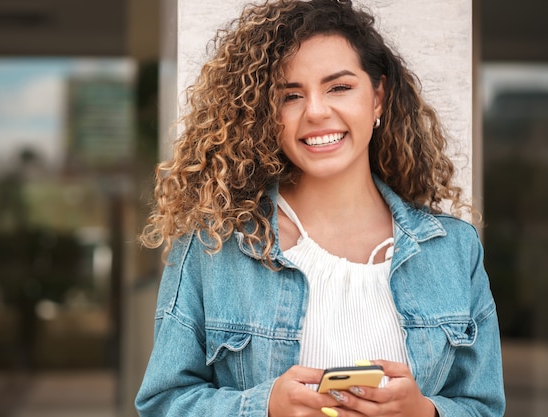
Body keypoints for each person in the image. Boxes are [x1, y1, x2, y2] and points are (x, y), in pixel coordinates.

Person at [135, 0, 506, 416]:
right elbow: (163, 403)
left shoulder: (454, 250)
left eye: (339, 87)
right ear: (266, 114)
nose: (315, 111)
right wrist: (264, 407)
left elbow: (483, 405)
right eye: (290, 95)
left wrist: (424, 412)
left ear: (378, 97)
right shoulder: (214, 246)